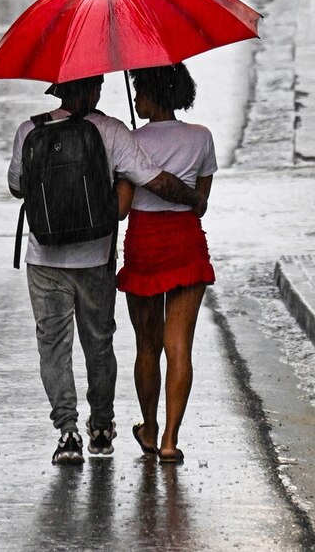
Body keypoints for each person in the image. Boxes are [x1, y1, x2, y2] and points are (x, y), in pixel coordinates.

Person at [8, 74, 199, 466]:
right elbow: (154, 180)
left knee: (53, 347)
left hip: (44, 258)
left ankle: (67, 433)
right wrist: (193, 198)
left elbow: (16, 187)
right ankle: (100, 425)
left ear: (58, 89)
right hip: (95, 257)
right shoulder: (110, 130)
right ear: (95, 88)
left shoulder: (29, 130)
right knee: (98, 343)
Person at [115, 64, 216, 464]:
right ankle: (171, 440)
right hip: (186, 243)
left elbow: (123, 208)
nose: (136, 98)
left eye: (140, 91)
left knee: (146, 346)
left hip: (145, 243)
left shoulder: (130, 142)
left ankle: (150, 426)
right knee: (179, 346)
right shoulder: (201, 137)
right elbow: (201, 204)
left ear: (154, 94)